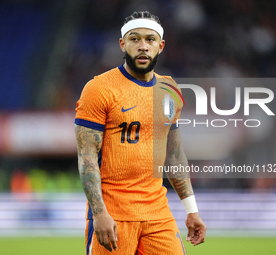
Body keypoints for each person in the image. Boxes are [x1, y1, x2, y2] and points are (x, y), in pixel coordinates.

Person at [74, 11, 206, 255]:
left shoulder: (170, 89)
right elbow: (87, 156)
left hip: (157, 213)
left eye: (150, 39)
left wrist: (191, 210)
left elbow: (174, 155)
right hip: (114, 213)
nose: (142, 46)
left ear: (161, 45)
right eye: (134, 39)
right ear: (123, 44)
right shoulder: (99, 88)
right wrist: (99, 213)